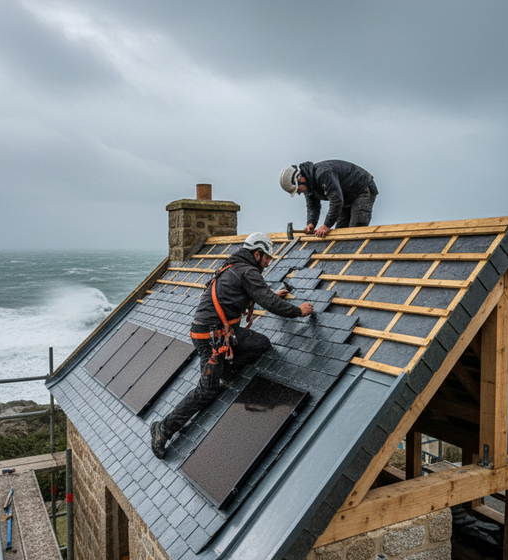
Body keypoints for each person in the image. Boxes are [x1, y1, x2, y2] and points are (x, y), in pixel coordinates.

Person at [150, 232, 314, 459]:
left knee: (261, 343)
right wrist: (298, 311)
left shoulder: (234, 266)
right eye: (267, 257)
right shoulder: (248, 271)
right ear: (256, 254)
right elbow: (267, 302)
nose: (268, 262)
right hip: (213, 338)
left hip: (208, 333)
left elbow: (250, 295)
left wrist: (272, 295)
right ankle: (164, 428)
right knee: (208, 390)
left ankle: (225, 371)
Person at [279, 160, 378, 238]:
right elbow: (313, 207)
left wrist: (326, 225)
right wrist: (311, 223)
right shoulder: (308, 186)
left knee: (355, 233)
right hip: (346, 197)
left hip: (362, 190)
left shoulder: (323, 174)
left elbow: (336, 200)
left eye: (297, 190)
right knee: (340, 233)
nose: (299, 193)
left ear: (302, 179)